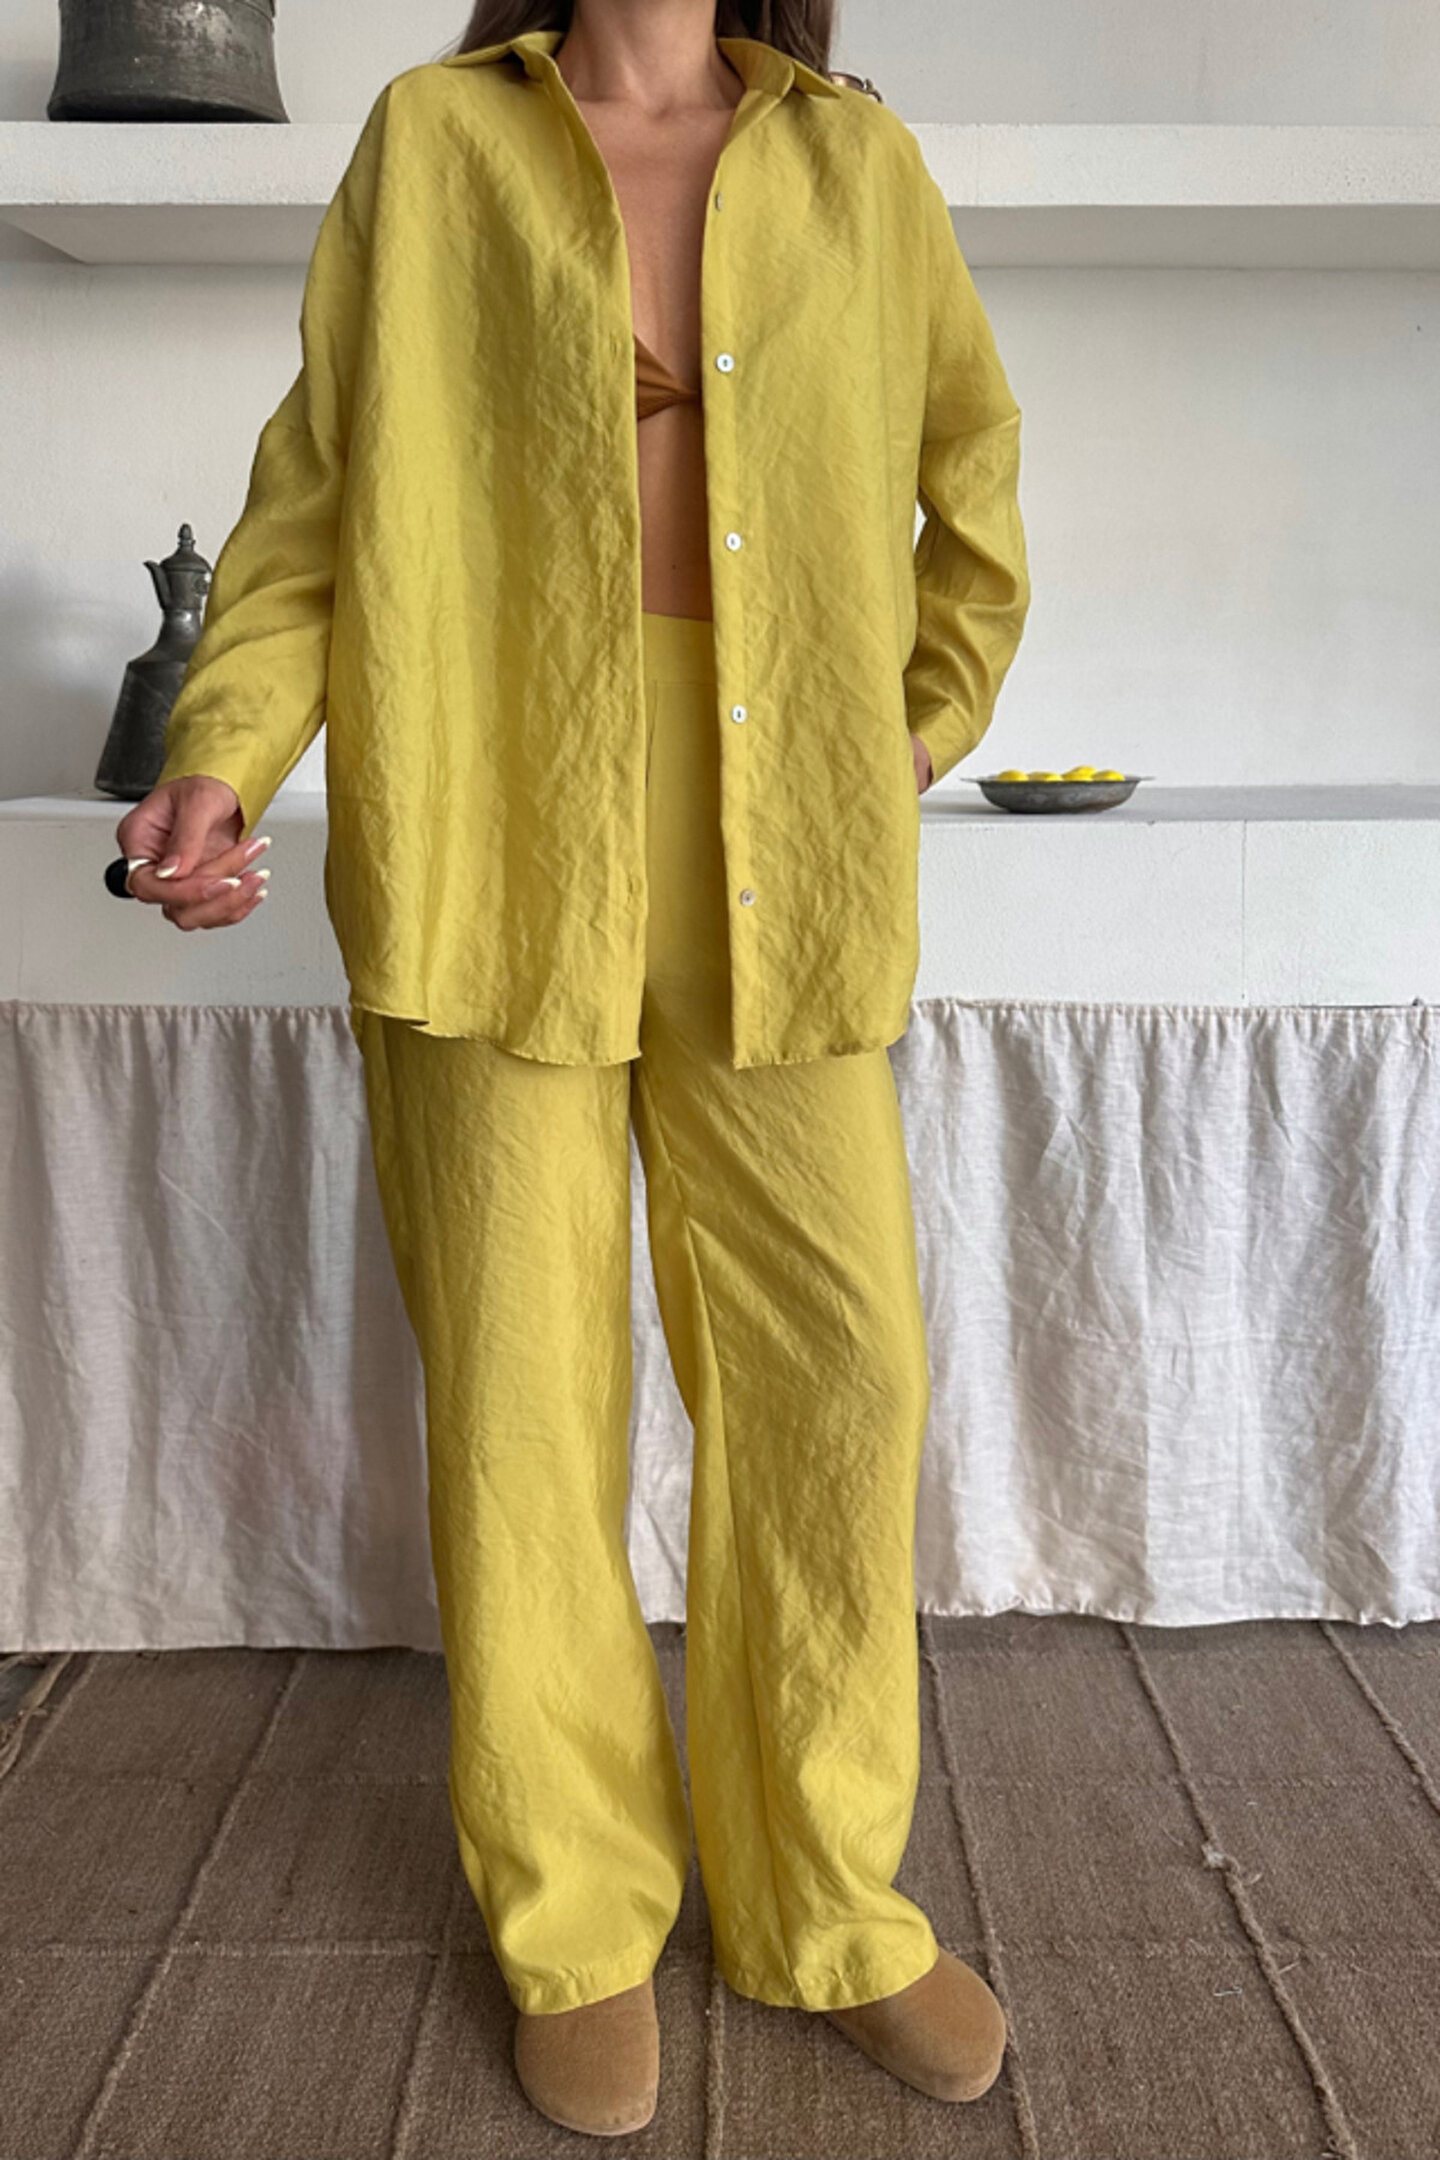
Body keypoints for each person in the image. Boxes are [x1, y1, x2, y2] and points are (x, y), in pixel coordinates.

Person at [115, 0, 1030, 2138]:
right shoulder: (434, 145)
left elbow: (972, 476)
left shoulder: (857, 166)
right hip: (491, 814)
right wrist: (224, 752)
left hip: (784, 843)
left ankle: (825, 1903)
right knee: (524, 1404)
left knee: (840, 1377)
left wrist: (903, 738)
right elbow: (318, 500)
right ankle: (579, 1919)